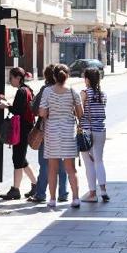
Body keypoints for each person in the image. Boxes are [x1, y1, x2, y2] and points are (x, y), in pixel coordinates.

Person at [39, 64, 83, 208]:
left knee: (52, 167)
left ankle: (52, 199)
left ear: (54, 76)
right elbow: (79, 113)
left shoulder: (47, 91)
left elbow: (42, 113)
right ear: (67, 76)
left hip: (52, 131)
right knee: (70, 168)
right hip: (68, 132)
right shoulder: (72, 91)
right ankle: (75, 198)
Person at [27, 64, 68, 203]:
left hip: (48, 132)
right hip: (63, 131)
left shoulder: (46, 90)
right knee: (62, 164)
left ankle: (41, 194)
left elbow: (35, 109)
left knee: (44, 164)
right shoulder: (69, 90)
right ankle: (63, 193)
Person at [0, 67, 38, 200]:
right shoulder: (28, 89)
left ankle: (15, 190)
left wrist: (5, 106)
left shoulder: (21, 91)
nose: (10, 80)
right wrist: (8, 103)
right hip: (27, 128)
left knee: (17, 159)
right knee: (22, 158)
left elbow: (17, 111)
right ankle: (35, 184)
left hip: (21, 129)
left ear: (18, 78)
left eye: (11, 78)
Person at [80, 68, 109, 203]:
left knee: (89, 163)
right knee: (99, 160)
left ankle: (92, 193)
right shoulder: (102, 94)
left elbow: (80, 112)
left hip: (87, 131)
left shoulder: (85, 93)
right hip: (101, 130)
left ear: (87, 79)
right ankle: (103, 190)